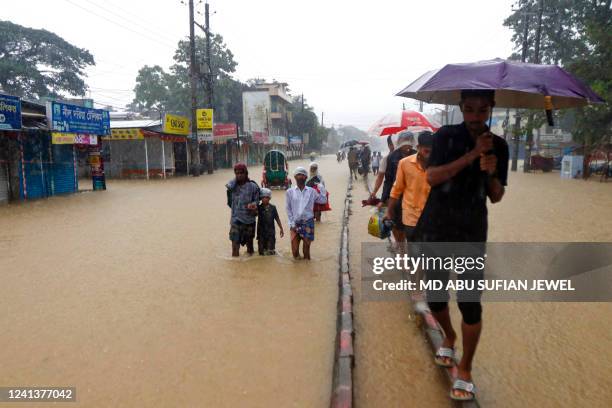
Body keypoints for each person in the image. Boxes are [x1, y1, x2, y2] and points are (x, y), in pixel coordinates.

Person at [414, 89, 509, 401]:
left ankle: (466, 367)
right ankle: (449, 335)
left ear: (491, 109)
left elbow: (496, 196)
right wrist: (470, 155)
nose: (475, 117)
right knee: (436, 298)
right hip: (436, 228)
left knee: (470, 303)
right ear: (461, 109)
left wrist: (491, 170)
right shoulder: (444, 137)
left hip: (471, 232)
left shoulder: (500, 147)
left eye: (482, 111)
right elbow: (432, 178)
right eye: (469, 110)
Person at [385, 131, 433, 242]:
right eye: (426, 151)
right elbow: (396, 189)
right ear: (418, 147)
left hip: (432, 217)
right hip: (411, 217)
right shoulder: (403, 163)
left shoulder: (440, 164)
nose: (429, 155)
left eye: (433, 152)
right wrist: (389, 211)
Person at [380, 131, 417, 244]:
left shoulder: (418, 155)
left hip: (413, 197)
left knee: (410, 224)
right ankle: (400, 247)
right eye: (405, 142)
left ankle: (406, 246)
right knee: (396, 224)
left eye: (409, 142)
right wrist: (383, 199)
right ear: (400, 142)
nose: (407, 146)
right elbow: (388, 180)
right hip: (396, 198)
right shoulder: (392, 157)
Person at [286, 167, 328, 260]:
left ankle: (307, 268)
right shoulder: (289, 192)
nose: (300, 176)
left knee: (306, 251)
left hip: (308, 223)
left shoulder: (312, 191)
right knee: (295, 252)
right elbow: (288, 209)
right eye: (298, 174)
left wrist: (322, 188)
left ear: (306, 177)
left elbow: (323, 201)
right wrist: (291, 223)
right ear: (295, 177)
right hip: (295, 223)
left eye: (303, 175)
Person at [226, 163, 260, 257]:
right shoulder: (232, 186)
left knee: (250, 249)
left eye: (241, 173)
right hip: (235, 220)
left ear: (246, 173)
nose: (239, 175)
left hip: (249, 221)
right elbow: (229, 202)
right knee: (234, 248)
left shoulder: (253, 186)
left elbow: (257, 201)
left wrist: (252, 205)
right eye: (237, 173)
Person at [256, 188, 284, 255]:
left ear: (269, 198)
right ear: (261, 198)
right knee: (261, 253)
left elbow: (277, 218)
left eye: (266, 197)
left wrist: (281, 228)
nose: (265, 199)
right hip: (261, 233)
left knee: (270, 252)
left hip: (270, 233)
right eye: (263, 197)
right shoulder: (259, 208)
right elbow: (254, 214)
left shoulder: (273, 207)